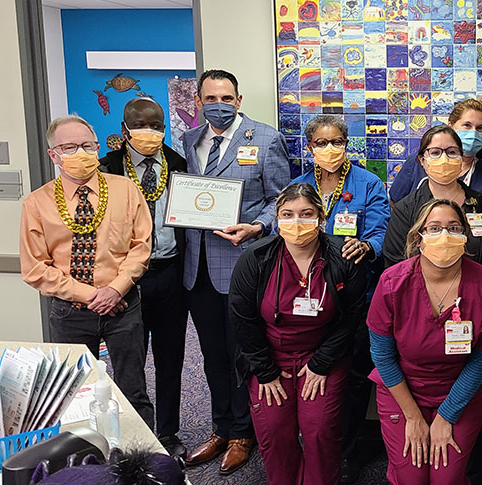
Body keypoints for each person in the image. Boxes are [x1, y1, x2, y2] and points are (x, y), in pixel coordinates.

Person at [182, 69, 291, 475]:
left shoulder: (265, 139)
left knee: (242, 353)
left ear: (239, 100)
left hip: (242, 262)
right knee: (211, 355)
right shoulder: (190, 140)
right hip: (198, 268)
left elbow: (281, 200)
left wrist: (259, 227)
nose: (219, 105)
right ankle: (219, 427)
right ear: (198, 102)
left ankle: (244, 433)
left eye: (226, 98)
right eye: (210, 98)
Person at [20, 115, 154, 427]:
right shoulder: (36, 204)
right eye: (69, 147)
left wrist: (116, 289)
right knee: (73, 395)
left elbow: (141, 246)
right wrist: (95, 295)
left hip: (123, 308)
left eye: (87, 145)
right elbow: (35, 268)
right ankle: (87, 465)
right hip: (70, 314)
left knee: (132, 389)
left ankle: (143, 463)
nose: (80, 153)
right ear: (54, 155)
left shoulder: (126, 190)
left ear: (97, 147)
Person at [229, 183, 366, 485]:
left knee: (319, 432)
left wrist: (321, 363)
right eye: (288, 214)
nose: (297, 222)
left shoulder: (343, 258)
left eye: (306, 214)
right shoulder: (256, 258)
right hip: (268, 358)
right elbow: (243, 319)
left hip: (323, 357)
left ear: (321, 218)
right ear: (276, 220)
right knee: (275, 434)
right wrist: (264, 371)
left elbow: (352, 316)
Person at [368, 199, 482, 484]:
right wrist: (413, 417)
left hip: (460, 391)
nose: (444, 236)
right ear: (418, 238)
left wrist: (447, 415)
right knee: (412, 478)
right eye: (434, 228)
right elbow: (382, 355)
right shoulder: (393, 282)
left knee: (446, 478)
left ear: (466, 238)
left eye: (453, 228)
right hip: (403, 390)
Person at [289, 114, 390, 482]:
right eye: (321, 143)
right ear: (309, 146)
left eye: (336, 142)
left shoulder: (368, 183)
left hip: (357, 293)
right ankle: (314, 445)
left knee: (355, 374)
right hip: (311, 295)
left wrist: (367, 245)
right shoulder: (300, 186)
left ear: (347, 144)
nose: (329, 150)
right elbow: (286, 225)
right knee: (315, 369)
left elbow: (381, 230)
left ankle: (347, 451)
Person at [98, 97, 188, 458]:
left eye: (157, 126)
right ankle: (134, 435)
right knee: (129, 362)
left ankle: (167, 433)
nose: (150, 132)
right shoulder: (107, 168)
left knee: (171, 358)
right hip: (126, 281)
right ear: (124, 130)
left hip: (170, 272)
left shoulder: (179, 164)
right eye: (141, 125)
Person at [383, 125, 482, 272]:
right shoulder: (405, 209)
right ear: (422, 160)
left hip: (479, 290)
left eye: (452, 152)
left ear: (461, 158)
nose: (444, 158)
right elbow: (394, 265)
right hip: (420, 292)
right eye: (435, 152)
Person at [389, 99, 482, 207]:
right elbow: (396, 205)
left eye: (480, 128)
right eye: (467, 125)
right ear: (451, 126)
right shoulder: (418, 162)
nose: (473, 133)